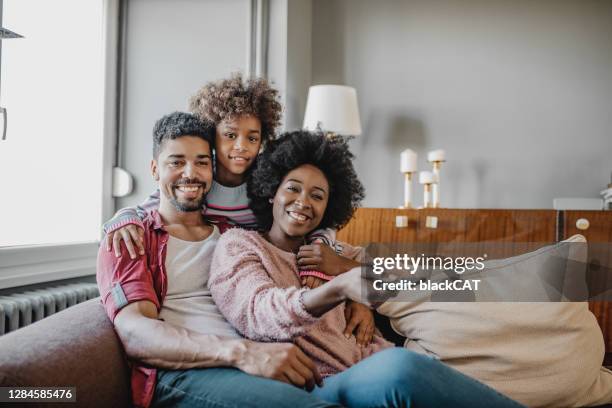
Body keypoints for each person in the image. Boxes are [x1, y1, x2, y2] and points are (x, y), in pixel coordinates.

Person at [209, 130, 526, 408]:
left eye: (317, 196)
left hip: (378, 365)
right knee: (401, 369)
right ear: (271, 192)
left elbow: (425, 279)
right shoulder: (240, 245)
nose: (304, 201)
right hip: (324, 383)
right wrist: (339, 288)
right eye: (292, 188)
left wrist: (346, 267)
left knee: (408, 366)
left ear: (328, 209)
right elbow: (259, 315)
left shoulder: (337, 252)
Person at [103, 74, 375, 346]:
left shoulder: (267, 184)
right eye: (230, 135)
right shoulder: (198, 185)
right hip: (238, 281)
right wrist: (120, 218)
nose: (241, 146)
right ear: (212, 137)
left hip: (272, 275)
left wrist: (344, 280)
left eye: (252, 138)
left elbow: (318, 223)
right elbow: (149, 205)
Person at [96, 112, 341, 408]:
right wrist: (241, 352)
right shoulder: (131, 237)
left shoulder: (235, 233)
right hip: (188, 372)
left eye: (201, 162)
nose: (191, 173)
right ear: (154, 170)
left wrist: (357, 298)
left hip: (260, 364)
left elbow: (300, 242)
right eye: (176, 162)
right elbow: (135, 333)